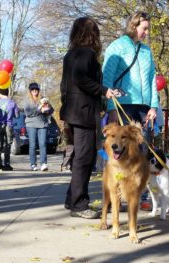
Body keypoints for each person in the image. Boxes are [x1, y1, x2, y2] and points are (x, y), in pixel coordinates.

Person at [60, 16, 117, 219]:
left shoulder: (70, 54)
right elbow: (80, 78)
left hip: (73, 111)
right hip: (83, 113)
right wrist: (104, 91)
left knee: (80, 158)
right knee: (84, 159)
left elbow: (65, 85)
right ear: (93, 35)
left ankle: (71, 199)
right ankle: (79, 204)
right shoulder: (87, 54)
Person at [102, 11, 159, 141]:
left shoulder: (146, 51)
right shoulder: (117, 46)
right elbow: (107, 79)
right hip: (123, 107)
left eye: (148, 29)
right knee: (125, 153)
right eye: (144, 28)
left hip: (144, 110)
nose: (147, 32)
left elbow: (152, 79)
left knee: (143, 152)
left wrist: (153, 107)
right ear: (134, 26)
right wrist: (112, 108)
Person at [24, 82, 53, 171]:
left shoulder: (44, 99)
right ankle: (33, 164)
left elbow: (51, 110)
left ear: (38, 90)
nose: (35, 91)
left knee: (43, 144)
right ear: (30, 91)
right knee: (32, 145)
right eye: (33, 89)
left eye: (36, 89)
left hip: (42, 124)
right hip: (31, 124)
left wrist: (47, 110)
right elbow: (28, 113)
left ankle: (43, 163)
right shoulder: (27, 100)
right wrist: (39, 109)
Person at [0, 88, 19, 171]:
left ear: (0, 93)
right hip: (9, 125)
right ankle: (7, 165)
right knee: (7, 145)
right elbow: (17, 116)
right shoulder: (12, 103)